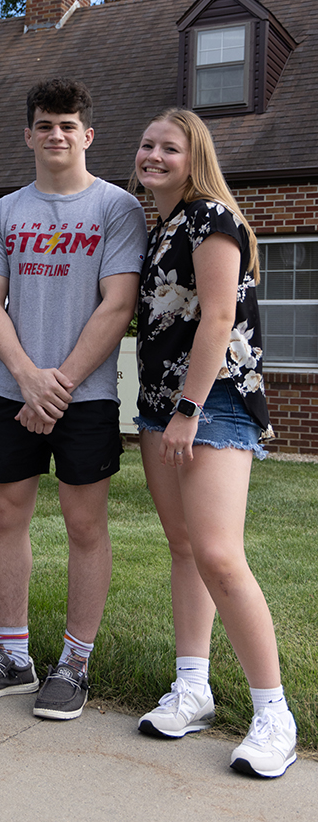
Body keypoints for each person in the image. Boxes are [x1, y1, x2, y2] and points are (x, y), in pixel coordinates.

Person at [0, 78, 147, 719]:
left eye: (68, 125)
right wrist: (27, 377)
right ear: (29, 134)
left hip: (84, 398)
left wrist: (56, 384)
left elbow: (117, 305)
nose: (56, 134)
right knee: (7, 517)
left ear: (87, 135)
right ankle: (13, 656)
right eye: (45, 124)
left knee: (84, 526)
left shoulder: (118, 210)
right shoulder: (2, 213)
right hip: (9, 389)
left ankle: (74, 665)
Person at [131, 108, 296, 778]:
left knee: (220, 556)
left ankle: (273, 715)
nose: (154, 155)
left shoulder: (210, 217)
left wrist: (190, 409)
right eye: (146, 145)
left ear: (194, 157)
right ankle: (193, 688)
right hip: (160, 407)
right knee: (185, 549)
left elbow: (221, 315)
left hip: (212, 402)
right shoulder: (161, 228)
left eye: (169, 147)